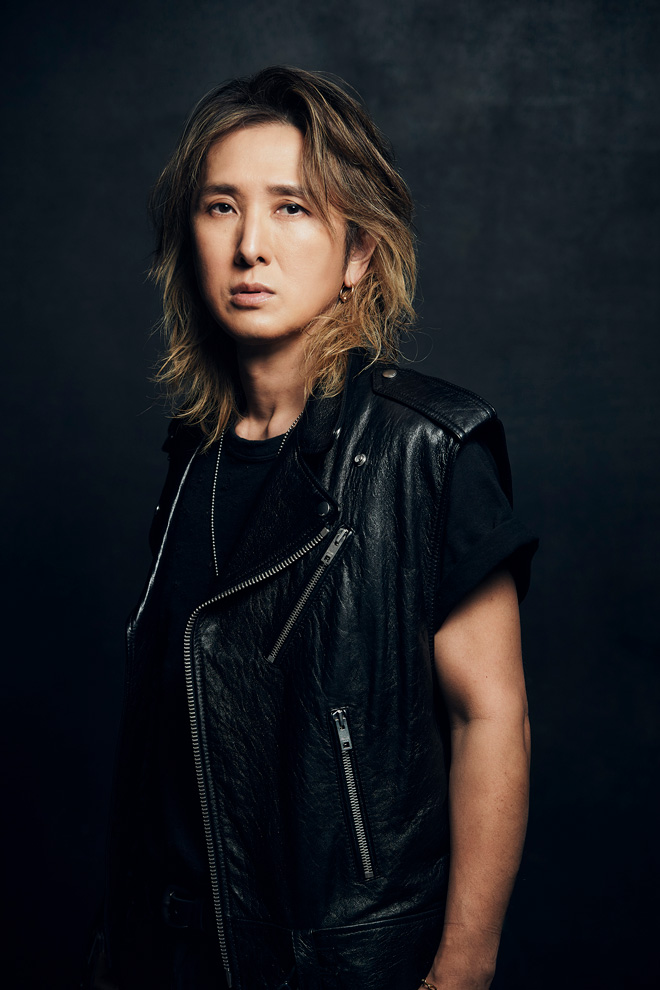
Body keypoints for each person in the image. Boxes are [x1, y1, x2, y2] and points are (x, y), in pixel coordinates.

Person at [95, 65, 537, 990]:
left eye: (291, 208)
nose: (250, 245)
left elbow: (490, 716)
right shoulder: (194, 459)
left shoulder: (428, 450)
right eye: (221, 206)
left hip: (336, 963)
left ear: (358, 254)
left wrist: (462, 969)